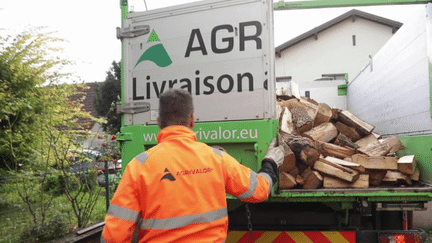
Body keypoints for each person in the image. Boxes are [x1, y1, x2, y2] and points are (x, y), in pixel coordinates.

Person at [101, 89, 285, 243]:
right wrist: (270, 163)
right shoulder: (216, 158)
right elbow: (258, 191)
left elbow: (114, 236)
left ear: (159, 123)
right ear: (192, 120)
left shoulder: (138, 166)